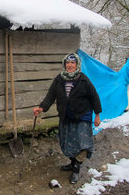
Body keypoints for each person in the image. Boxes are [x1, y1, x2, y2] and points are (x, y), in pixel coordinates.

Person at [33, 52, 102, 184]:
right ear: (64, 65)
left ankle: (76, 168)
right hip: (66, 116)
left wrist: (97, 115)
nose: (70, 65)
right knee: (67, 142)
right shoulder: (59, 79)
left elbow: (94, 97)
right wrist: (41, 108)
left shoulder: (83, 79)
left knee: (84, 144)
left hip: (82, 116)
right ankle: (72, 163)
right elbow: (50, 96)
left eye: (73, 63)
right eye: (68, 63)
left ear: (77, 65)